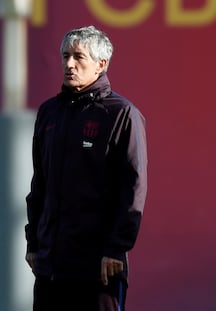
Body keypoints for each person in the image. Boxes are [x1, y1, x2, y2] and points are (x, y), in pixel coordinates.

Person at [25, 26, 147, 311]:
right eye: (65, 56)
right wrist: (33, 242)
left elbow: (133, 188)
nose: (69, 64)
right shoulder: (48, 113)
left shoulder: (121, 114)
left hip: (99, 268)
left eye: (78, 57)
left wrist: (116, 248)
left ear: (101, 64)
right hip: (50, 268)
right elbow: (39, 184)